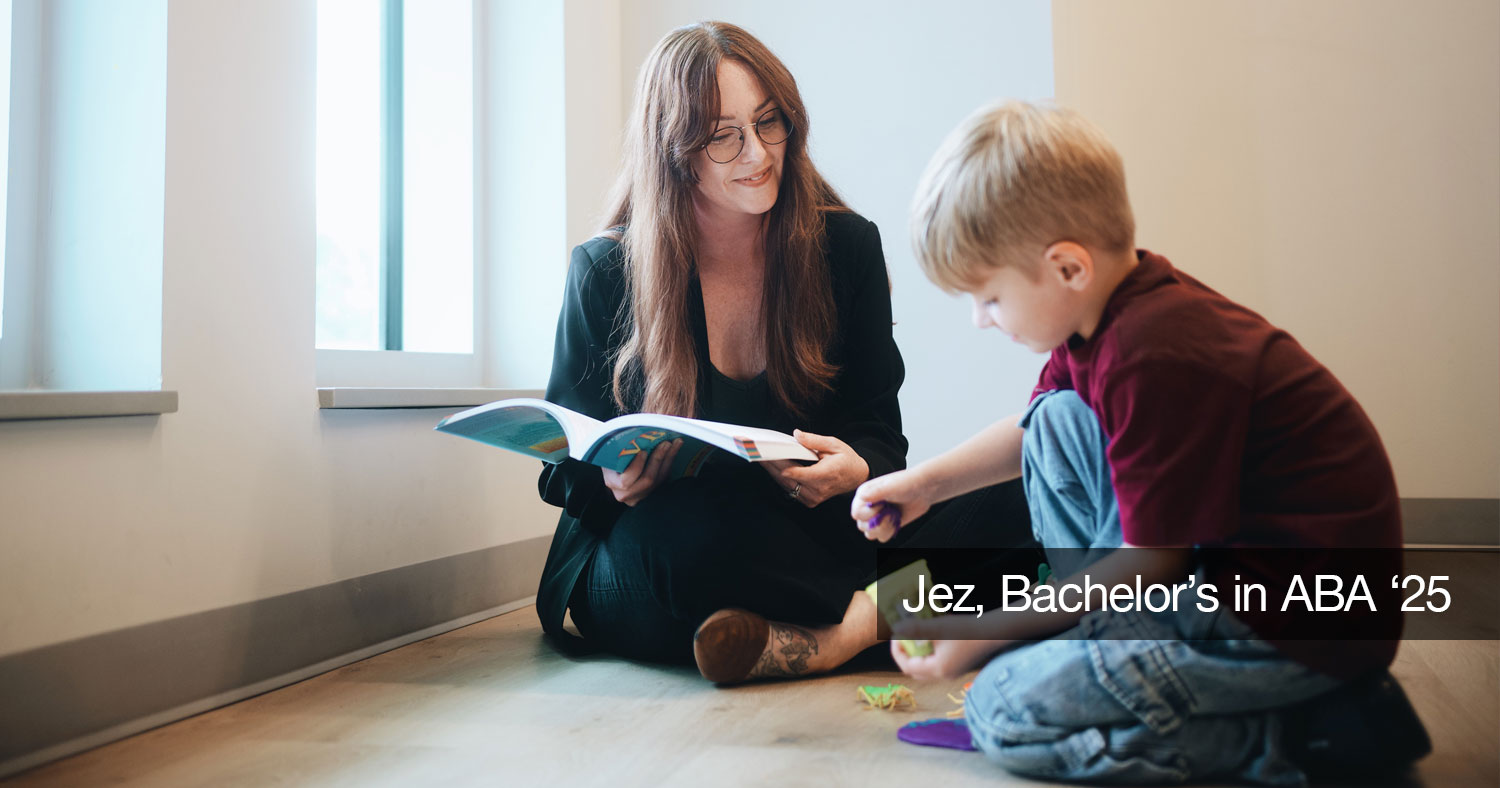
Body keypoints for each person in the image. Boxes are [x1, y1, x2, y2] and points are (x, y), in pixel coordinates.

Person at [852, 101, 1429, 783]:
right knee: (1057, 419)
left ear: (1068, 268)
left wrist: (987, 631)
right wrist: (926, 485)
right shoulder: (1113, 313)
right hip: (1215, 586)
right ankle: (1099, 656)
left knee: (1003, 710)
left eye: (991, 298)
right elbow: (1032, 429)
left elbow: (1152, 561)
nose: (981, 320)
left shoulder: (1152, 353)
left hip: (1284, 628)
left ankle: (1300, 737)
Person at [534, 22, 1030, 684]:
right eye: (723, 135)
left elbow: (880, 435)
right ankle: (888, 609)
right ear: (674, 150)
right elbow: (564, 466)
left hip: (804, 526)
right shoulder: (605, 270)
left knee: (1029, 496)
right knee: (690, 546)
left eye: (770, 123)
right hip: (666, 541)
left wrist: (856, 465)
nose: (758, 153)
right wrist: (611, 480)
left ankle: (835, 635)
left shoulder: (845, 247)